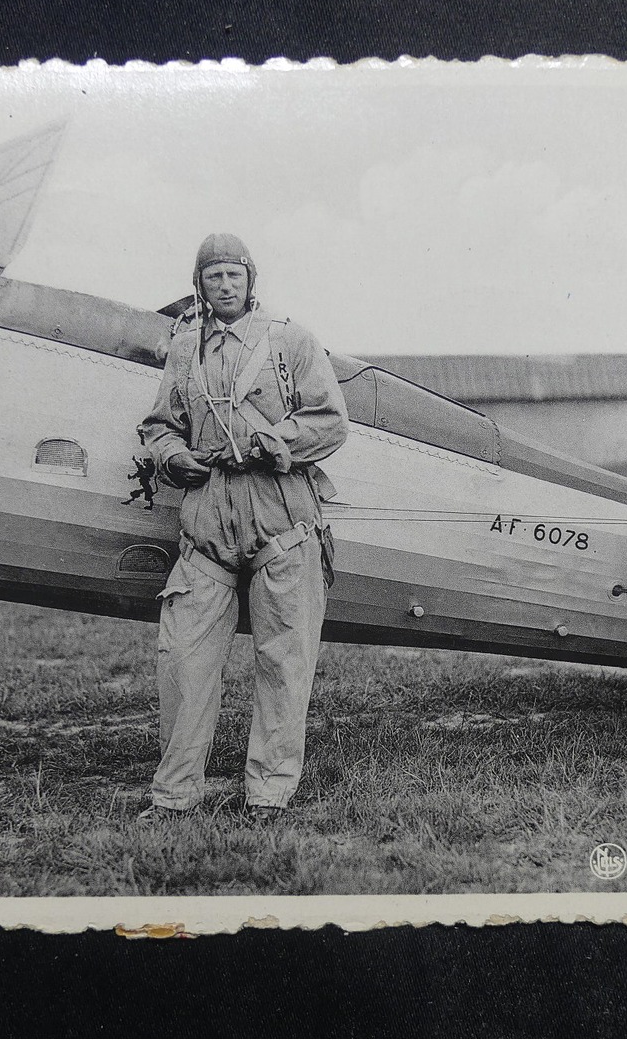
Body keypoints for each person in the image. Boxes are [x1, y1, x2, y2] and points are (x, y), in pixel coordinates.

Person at [137, 233, 349, 821]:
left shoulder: (290, 341)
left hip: (282, 517)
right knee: (182, 659)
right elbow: (159, 425)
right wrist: (173, 456)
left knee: (283, 660)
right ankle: (176, 796)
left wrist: (271, 443)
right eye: (212, 278)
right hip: (206, 520)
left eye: (234, 276)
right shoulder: (184, 350)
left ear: (250, 280)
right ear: (199, 286)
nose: (224, 287)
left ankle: (269, 794)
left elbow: (331, 422)